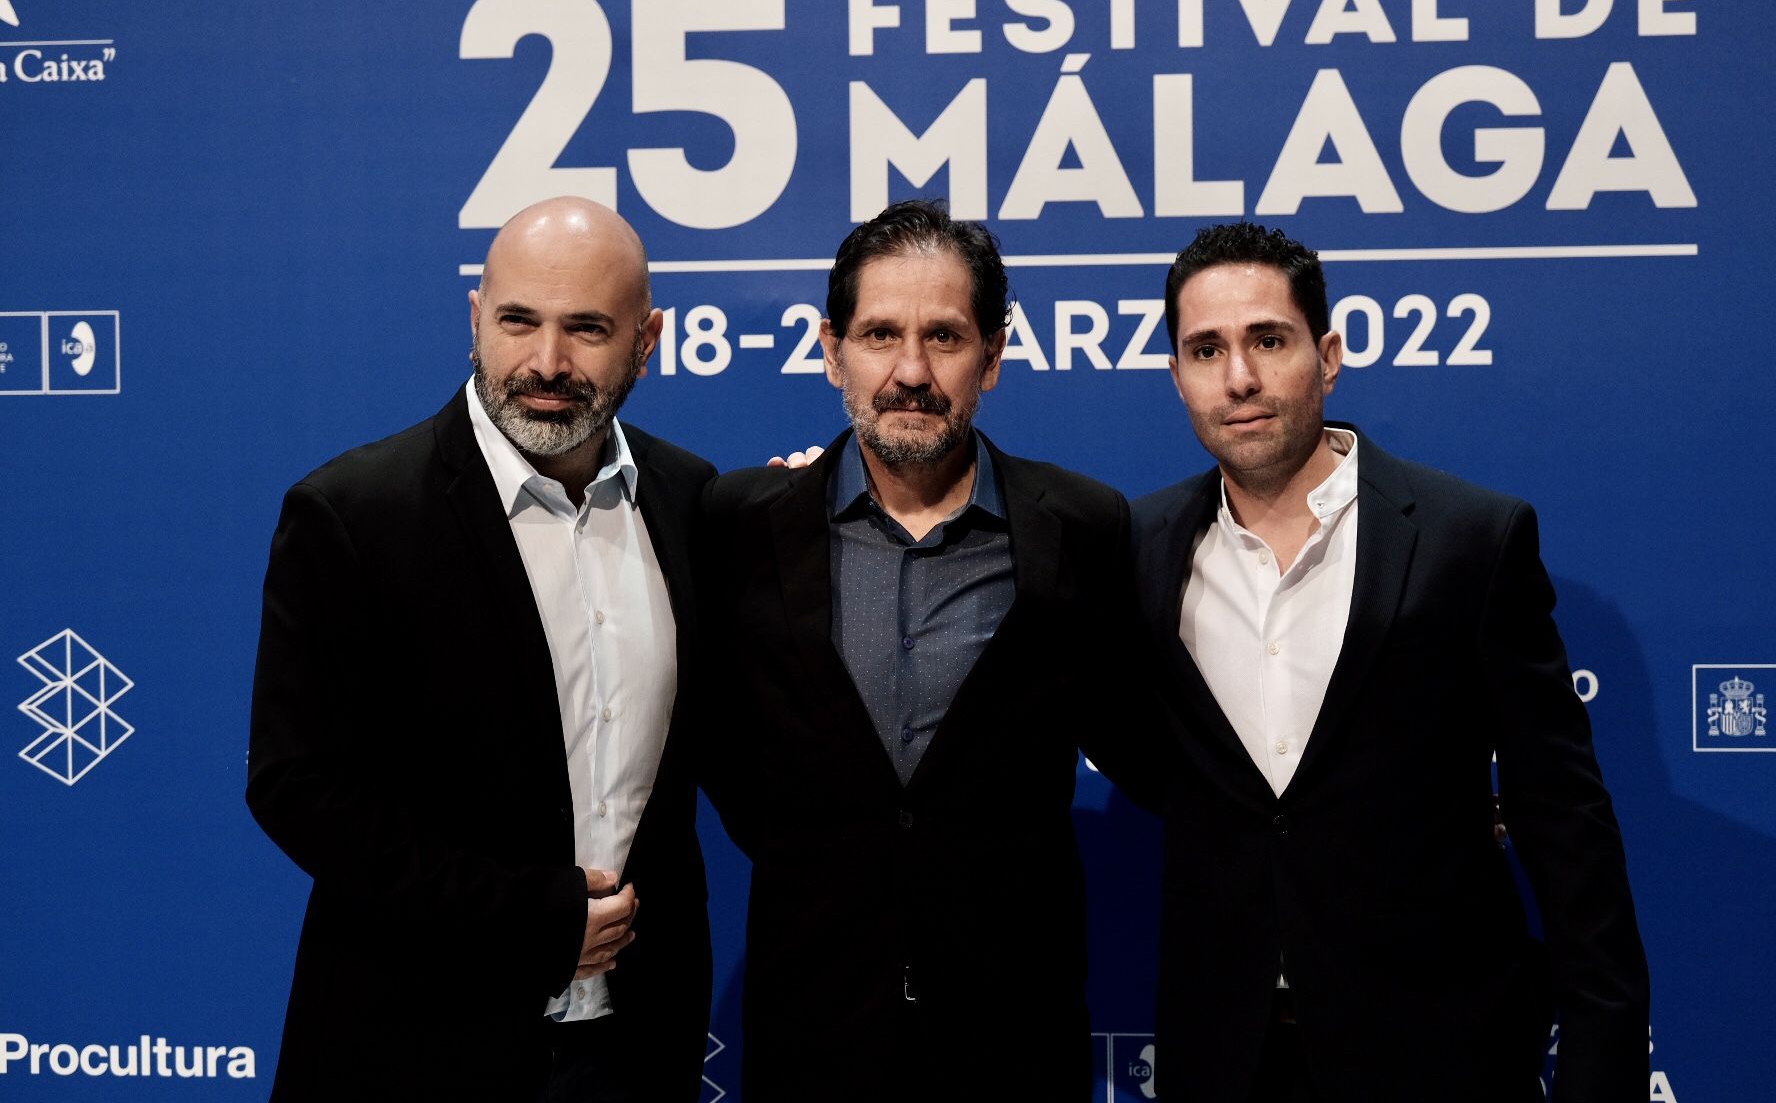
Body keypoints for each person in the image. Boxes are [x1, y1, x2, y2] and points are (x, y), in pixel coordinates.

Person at [1131, 223, 1649, 1101]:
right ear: (1176, 376)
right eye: (1205, 349)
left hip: (1442, 1054)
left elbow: (1566, 826)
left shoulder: (1469, 540)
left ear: (1327, 355)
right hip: (1223, 1059)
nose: (1240, 377)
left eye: (1268, 339)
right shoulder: (1137, 549)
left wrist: (1602, 1064)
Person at [246, 197, 714, 1101]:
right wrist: (527, 919)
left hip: (636, 1051)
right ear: (474, 316)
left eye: (586, 328)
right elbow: (296, 788)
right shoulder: (354, 515)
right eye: (517, 322)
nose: (546, 364)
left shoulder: (691, 501)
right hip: (413, 1044)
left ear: (647, 338)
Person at [699, 199, 1154, 1100]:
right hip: (811, 1017)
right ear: (832, 350)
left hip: (1013, 1027)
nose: (911, 372)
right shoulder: (741, 524)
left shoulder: (1084, 528)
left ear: (993, 354)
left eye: (944, 337)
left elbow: (1141, 736)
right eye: (879, 335)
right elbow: (726, 753)